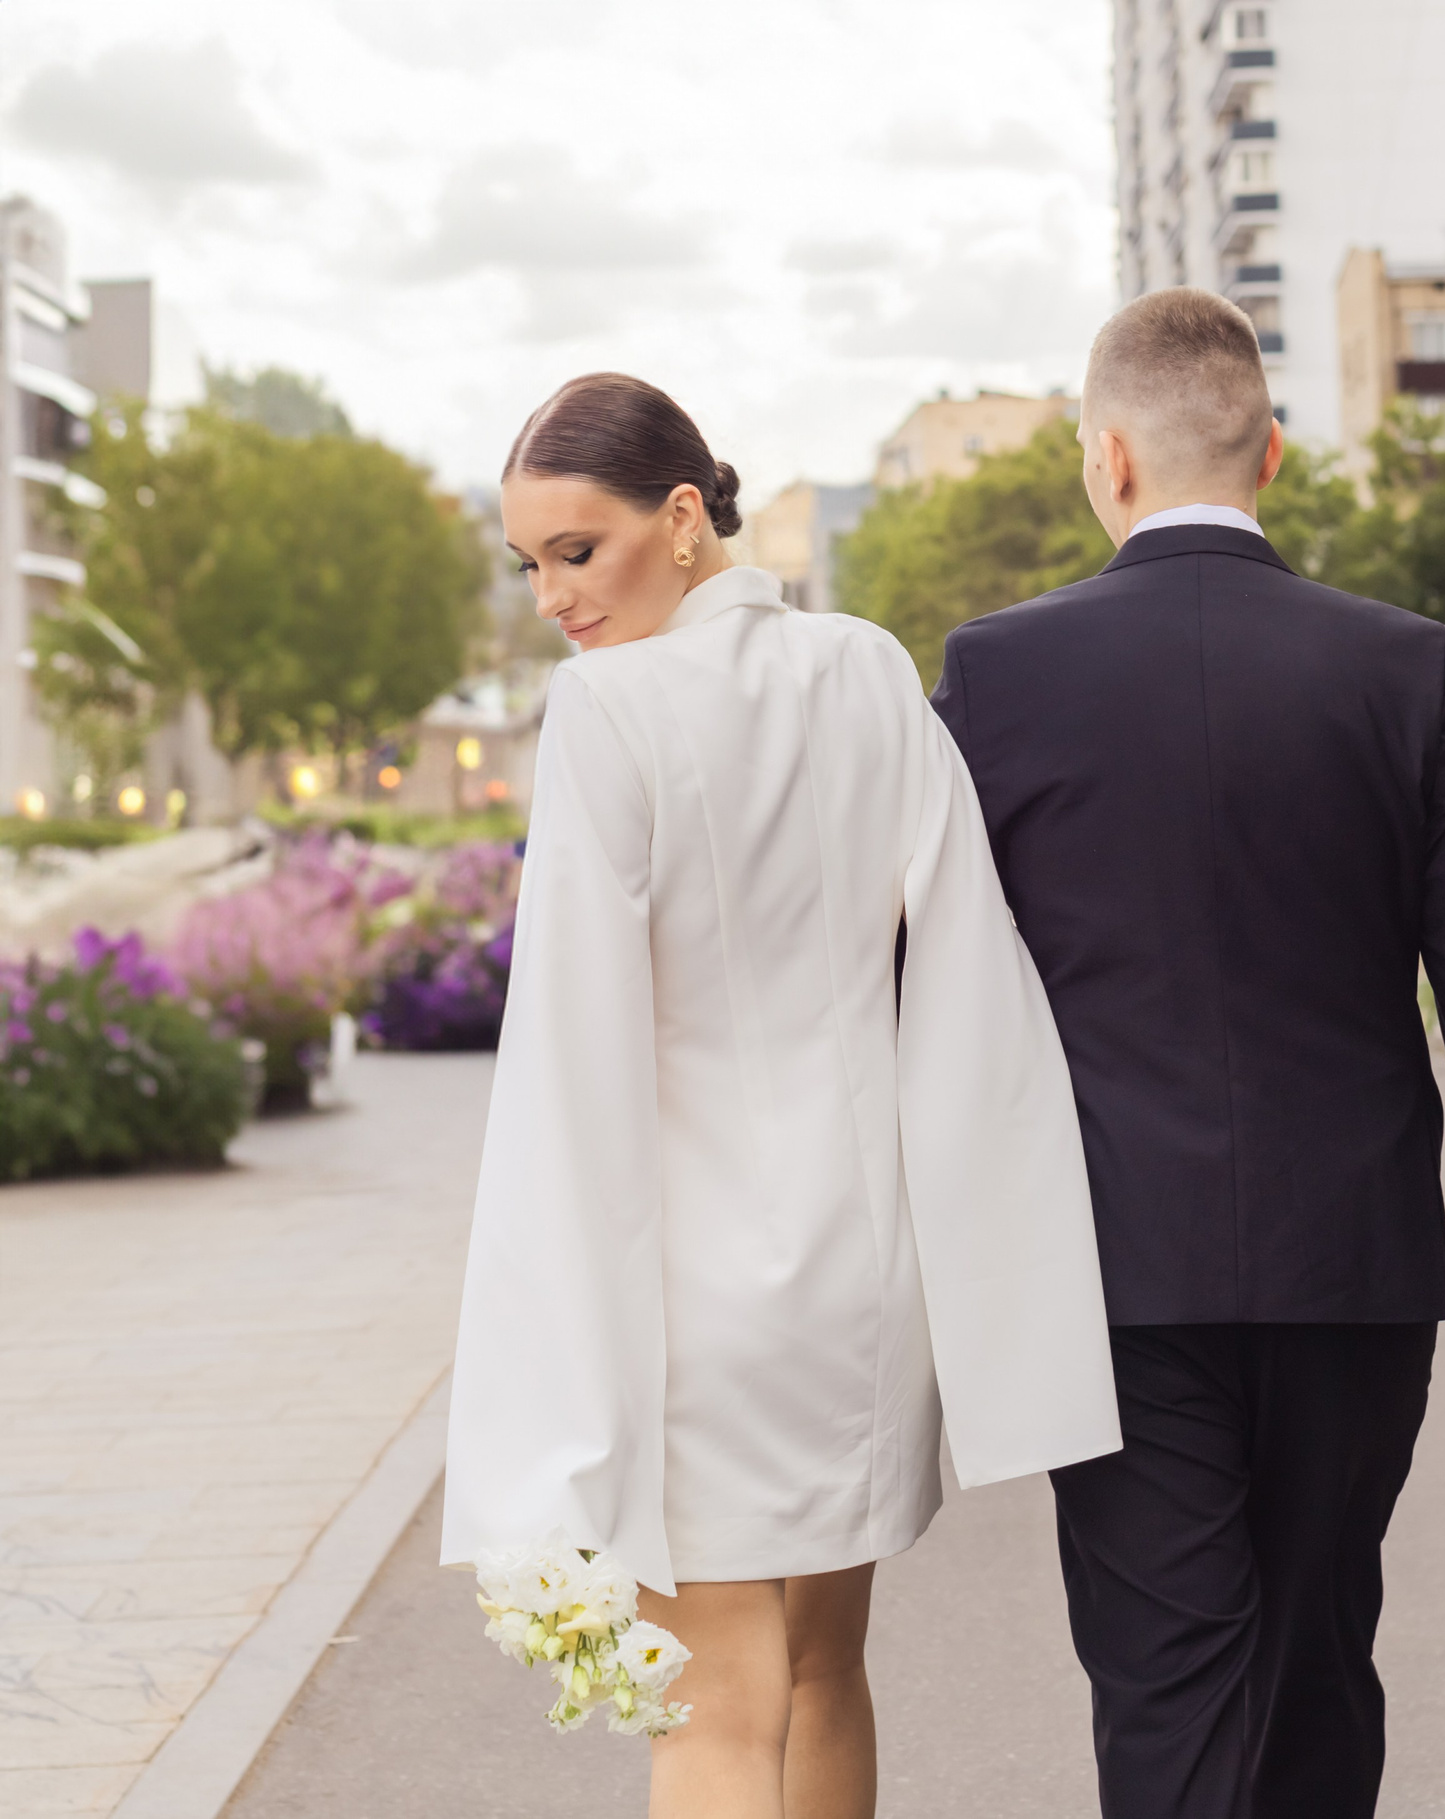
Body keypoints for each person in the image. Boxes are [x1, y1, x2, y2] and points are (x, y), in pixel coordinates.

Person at [930, 290, 1445, 1818]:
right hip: (1352, 1266)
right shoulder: (1401, 667)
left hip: (1109, 1272)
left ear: (1106, 460)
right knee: (1315, 1665)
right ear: (1274, 456)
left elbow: (934, 980)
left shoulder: (996, 676)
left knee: (1166, 1684)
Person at [440, 373, 1120, 1819]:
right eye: (531, 566)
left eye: (578, 550)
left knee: (710, 1713)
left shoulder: (607, 710)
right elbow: (966, 971)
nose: (553, 598)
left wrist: (559, 1359)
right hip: (864, 1285)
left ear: (683, 520)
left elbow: (574, 1057)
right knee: (822, 1675)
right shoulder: (867, 667)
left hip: (703, 1305)